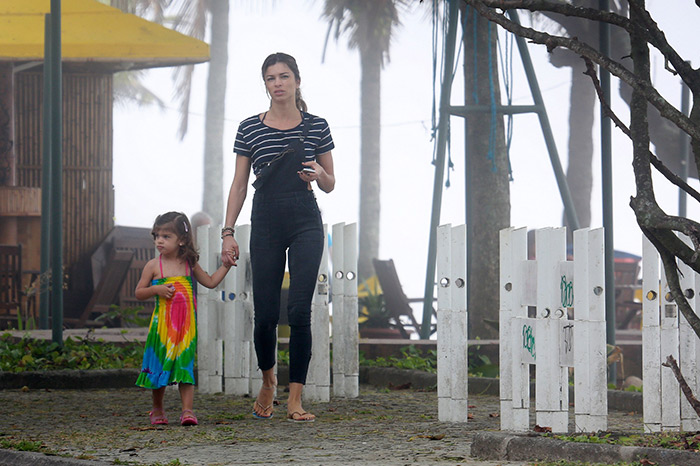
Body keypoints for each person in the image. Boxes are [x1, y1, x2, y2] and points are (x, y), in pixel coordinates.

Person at [221, 52, 335, 422]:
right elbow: (239, 185)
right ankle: (268, 381)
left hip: (304, 218)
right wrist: (228, 232)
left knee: (301, 310)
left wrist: (319, 173)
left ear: (297, 81)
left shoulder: (317, 126)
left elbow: (331, 184)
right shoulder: (249, 128)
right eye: (271, 78)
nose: (278, 83)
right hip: (266, 218)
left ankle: (295, 399)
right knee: (265, 314)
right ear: (266, 85)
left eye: (284, 76)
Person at [135, 211, 232, 426]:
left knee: (185, 367)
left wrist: (225, 266)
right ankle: (157, 409)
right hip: (162, 328)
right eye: (157, 235)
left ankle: (187, 411)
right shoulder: (153, 266)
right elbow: (139, 292)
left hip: (185, 327)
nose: (160, 240)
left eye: (166, 236)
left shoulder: (188, 264)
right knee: (159, 366)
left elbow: (210, 282)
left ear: (182, 240)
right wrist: (156, 289)